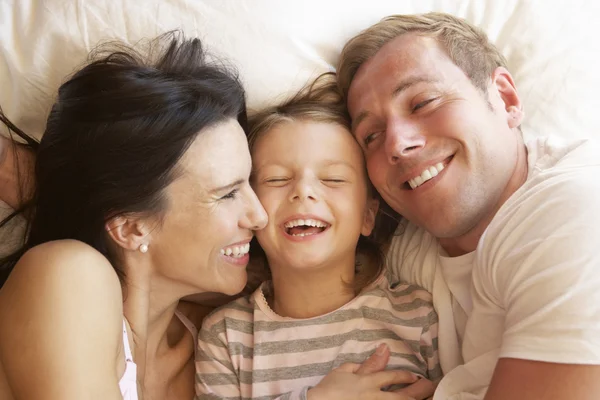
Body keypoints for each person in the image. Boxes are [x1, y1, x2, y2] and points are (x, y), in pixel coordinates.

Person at [0, 34, 419, 400]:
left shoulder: (208, 339)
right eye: (229, 193)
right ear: (131, 225)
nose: (257, 215)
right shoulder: (69, 274)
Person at [336, 11, 600, 400]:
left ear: (506, 99)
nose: (395, 143)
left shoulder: (574, 211)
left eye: (422, 102)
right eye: (371, 135)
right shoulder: (408, 248)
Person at [195, 75, 441, 400]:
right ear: (250, 209)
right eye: (277, 178)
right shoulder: (227, 336)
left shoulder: (417, 315)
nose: (303, 191)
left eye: (333, 178)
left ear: (368, 216)